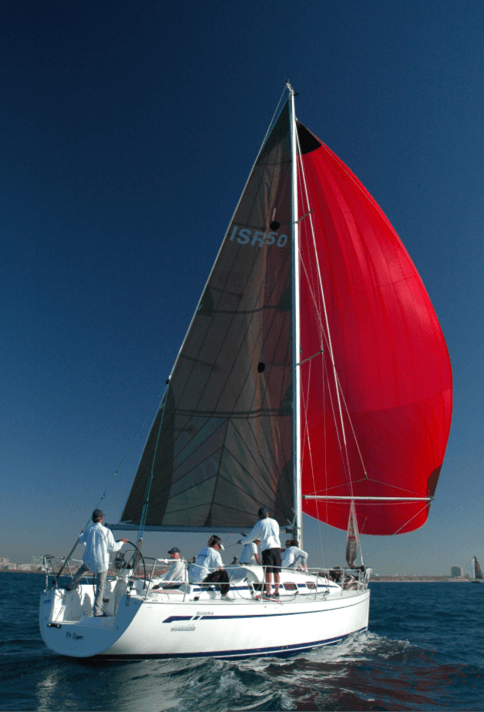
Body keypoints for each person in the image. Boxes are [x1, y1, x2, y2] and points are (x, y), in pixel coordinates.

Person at [66, 509, 128, 617]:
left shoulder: (88, 529)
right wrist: (122, 542)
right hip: (101, 563)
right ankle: (97, 612)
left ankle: (71, 586)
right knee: (100, 587)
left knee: (81, 570)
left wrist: (82, 533)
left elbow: (80, 540)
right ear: (102, 519)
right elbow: (114, 547)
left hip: (88, 561)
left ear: (93, 518)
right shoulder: (106, 531)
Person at [239, 507, 281, 599]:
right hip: (277, 548)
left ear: (259, 516)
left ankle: (268, 592)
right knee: (276, 571)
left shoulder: (260, 523)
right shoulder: (275, 522)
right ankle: (277, 592)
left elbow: (252, 536)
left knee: (268, 571)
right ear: (267, 514)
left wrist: (242, 541)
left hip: (267, 549)